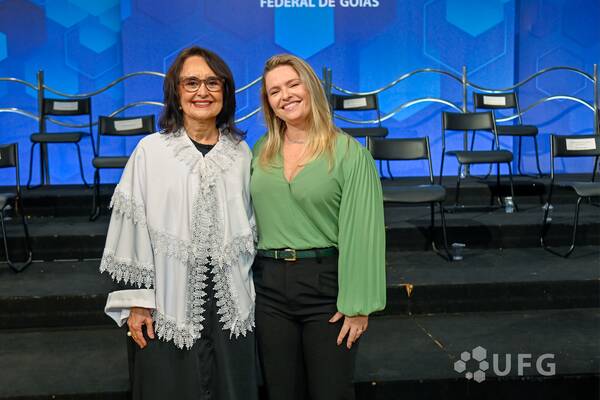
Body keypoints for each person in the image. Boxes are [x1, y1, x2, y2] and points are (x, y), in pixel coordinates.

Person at [99, 46, 258, 400]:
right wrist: (138, 301)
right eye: (191, 83)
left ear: (226, 92)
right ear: (176, 92)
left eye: (213, 83)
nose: (203, 91)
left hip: (230, 301)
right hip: (167, 300)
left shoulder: (241, 153)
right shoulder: (150, 151)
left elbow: (251, 225)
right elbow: (131, 228)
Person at [250, 54, 386, 400]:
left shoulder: (349, 154)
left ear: (311, 87)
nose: (285, 95)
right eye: (275, 91)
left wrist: (358, 305)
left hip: (325, 288)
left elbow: (363, 233)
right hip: (268, 289)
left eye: (293, 84)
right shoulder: (260, 151)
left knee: (331, 392)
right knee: (282, 392)